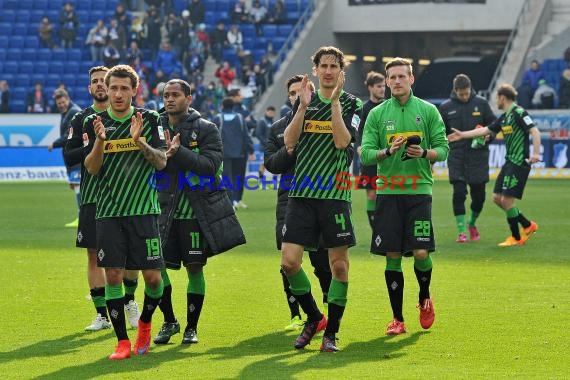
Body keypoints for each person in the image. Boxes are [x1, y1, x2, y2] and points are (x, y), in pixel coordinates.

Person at [152, 79, 246, 345]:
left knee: (194, 268)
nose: (169, 99)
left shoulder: (207, 129)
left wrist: (178, 152)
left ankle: (191, 328)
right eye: (166, 95)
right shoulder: (154, 127)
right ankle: (169, 321)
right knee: (157, 270)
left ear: (189, 98)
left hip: (194, 213)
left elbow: (210, 165)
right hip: (162, 209)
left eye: (175, 95)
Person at [360, 57, 449, 336]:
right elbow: (364, 153)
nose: (396, 81)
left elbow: (443, 150)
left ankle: (425, 298)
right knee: (393, 254)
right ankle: (397, 319)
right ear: (386, 82)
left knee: (421, 252)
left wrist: (423, 153)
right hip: (388, 192)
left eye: (402, 76)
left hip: (418, 191)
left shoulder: (428, 111)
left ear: (411, 79)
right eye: (392, 77)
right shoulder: (376, 115)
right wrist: (387, 151)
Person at [281, 46, 362, 352]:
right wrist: (301, 107)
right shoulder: (304, 101)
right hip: (302, 195)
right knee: (289, 264)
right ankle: (315, 318)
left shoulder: (353, 103)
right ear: (315, 70)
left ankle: (332, 334)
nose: (328, 71)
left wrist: (336, 104)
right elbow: (289, 141)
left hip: (335, 196)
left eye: (333, 66)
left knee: (339, 268)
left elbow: (342, 141)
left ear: (341, 70)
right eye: (323, 65)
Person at [84, 64, 167, 360]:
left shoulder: (150, 118)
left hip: (144, 211)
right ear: (106, 89)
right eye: (113, 88)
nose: (118, 94)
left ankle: (145, 323)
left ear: (135, 90)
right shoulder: (95, 122)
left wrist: (138, 141)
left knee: (154, 279)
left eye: (124, 88)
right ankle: (121, 342)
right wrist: (100, 142)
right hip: (108, 212)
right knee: (114, 275)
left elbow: (161, 162)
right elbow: (92, 169)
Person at [63, 66, 141, 332]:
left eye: (102, 81)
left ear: (111, 86)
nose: (99, 85)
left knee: (131, 255)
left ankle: (129, 301)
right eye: (94, 81)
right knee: (94, 255)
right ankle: (103, 315)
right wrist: (97, 143)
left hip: (127, 196)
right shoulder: (81, 119)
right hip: (94, 196)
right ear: (90, 88)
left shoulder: (132, 117)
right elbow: (69, 157)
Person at [264, 74, 332, 332]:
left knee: (322, 260)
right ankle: (297, 314)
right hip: (288, 199)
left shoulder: (323, 122)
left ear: (311, 94)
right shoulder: (278, 128)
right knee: (288, 262)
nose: (296, 96)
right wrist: (288, 149)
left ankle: (327, 305)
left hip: (319, 197)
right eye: (292, 92)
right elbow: (271, 164)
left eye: (300, 92)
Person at [448, 83, 540, 247]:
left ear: (502, 98)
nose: (496, 101)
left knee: (506, 200)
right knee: (497, 198)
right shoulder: (504, 117)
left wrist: (535, 154)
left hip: (519, 163)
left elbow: (535, 131)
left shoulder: (519, 112)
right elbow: (484, 131)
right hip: (509, 162)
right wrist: (462, 135)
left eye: (497, 98)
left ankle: (516, 237)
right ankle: (527, 225)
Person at [439, 74, 496, 243]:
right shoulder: (445, 107)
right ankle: (461, 231)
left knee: (479, 197)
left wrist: (489, 136)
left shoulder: (482, 104)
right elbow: (439, 132)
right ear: (455, 91)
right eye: (461, 94)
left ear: (470, 89)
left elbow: (493, 125)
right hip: (457, 157)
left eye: (466, 93)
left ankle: (471, 223)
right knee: (459, 193)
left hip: (478, 156)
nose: (464, 96)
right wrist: (443, 140)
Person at [47, 89, 82, 227]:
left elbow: (69, 136)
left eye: (63, 102)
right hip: (73, 157)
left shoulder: (73, 112)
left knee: (78, 186)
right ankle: (83, 216)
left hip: (77, 157)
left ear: (68, 99)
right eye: (59, 102)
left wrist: (54, 144)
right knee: (76, 186)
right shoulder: (67, 112)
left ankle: (82, 217)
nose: (61, 104)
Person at [212, 97, 255, 210]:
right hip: (240, 153)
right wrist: (251, 151)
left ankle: (230, 202)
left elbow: (211, 136)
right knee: (238, 178)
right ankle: (236, 200)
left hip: (223, 153)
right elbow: (246, 135)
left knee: (226, 178)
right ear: (233, 106)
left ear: (222, 106)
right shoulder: (240, 118)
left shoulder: (217, 118)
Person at [357, 71, 386, 231]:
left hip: (388, 156)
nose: (382, 89)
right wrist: (360, 147)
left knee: (386, 195)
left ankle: (387, 227)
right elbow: (358, 131)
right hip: (370, 156)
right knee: (371, 195)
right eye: (378, 86)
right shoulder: (363, 109)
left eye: (383, 86)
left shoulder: (389, 106)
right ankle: (377, 231)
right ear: (370, 87)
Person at [255, 105, 275, 177]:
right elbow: (258, 134)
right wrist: (266, 143)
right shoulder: (262, 121)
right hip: (263, 146)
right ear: (266, 112)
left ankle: (273, 178)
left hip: (272, 146)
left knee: (269, 162)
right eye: (269, 112)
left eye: (272, 112)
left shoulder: (273, 121)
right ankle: (260, 176)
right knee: (263, 162)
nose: (271, 114)